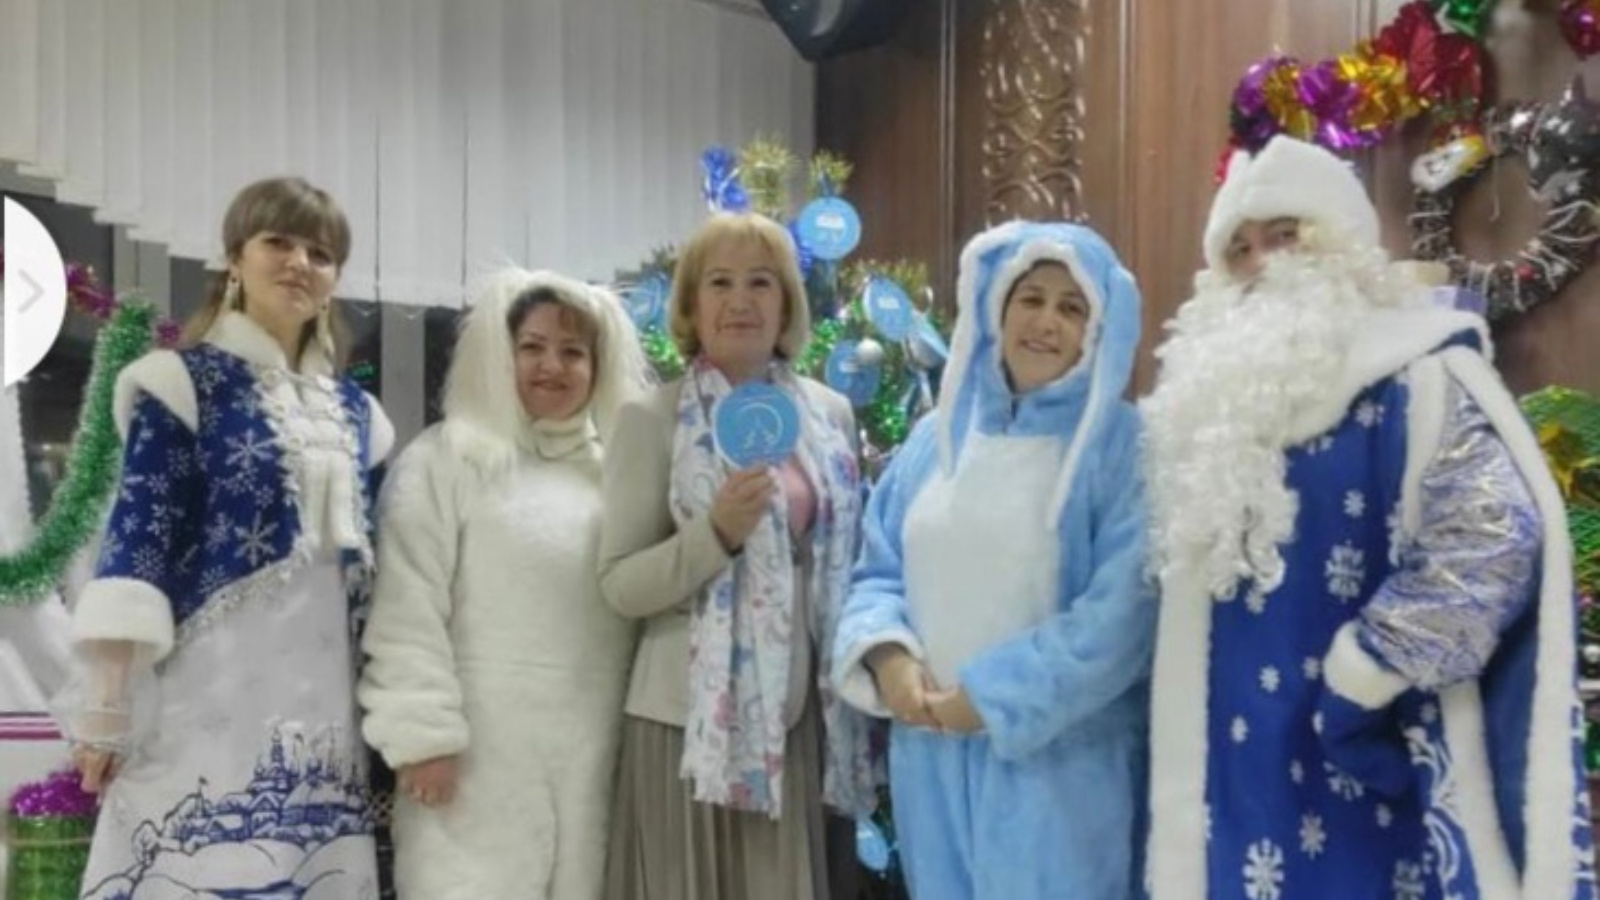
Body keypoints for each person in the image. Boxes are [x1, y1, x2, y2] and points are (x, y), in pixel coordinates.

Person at [1142, 135, 1596, 900]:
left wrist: (1367, 672)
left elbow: (1492, 540)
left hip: (1372, 764)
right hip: (1233, 780)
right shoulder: (1209, 417)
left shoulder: (1421, 379)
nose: (1260, 263)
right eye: (1239, 249)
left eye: (1284, 235)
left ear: (1343, 245)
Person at [63, 177, 393, 900]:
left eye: (321, 253)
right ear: (235, 259)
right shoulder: (181, 383)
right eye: (279, 242)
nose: (300, 263)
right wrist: (108, 705)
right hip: (204, 684)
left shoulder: (360, 416)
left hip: (324, 695)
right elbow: (138, 544)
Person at [832, 221, 1154, 900]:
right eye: (1030, 298)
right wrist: (890, 660)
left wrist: (989, 698)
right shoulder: (933, 439)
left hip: (1061, 779)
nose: (1046, 321)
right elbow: (877, 570)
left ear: (1100, 329)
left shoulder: (1121, 448)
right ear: (996, 308)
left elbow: (1122, 620)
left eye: (1072, 307)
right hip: (931, 762)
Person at [599, 212, 878, 900]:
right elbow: (620, 584)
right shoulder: (651, 418)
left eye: (761, 282)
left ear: (786, 303)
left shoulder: (830, 415)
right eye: (719, 282)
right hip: (686, 728)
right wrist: (716, 534)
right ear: (692, 305)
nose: (740, 300)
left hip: (796, 722)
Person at [358, 268, 648, 900]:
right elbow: (406, 609)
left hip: (594, 765)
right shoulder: (445, 459)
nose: (553, 366)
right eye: (532, 347)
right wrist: (422, 736)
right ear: (498, 355)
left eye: (573, 351)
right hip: (470, 770)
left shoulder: (618, 477)